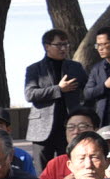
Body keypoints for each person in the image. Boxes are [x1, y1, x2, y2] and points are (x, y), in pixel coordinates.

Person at [24, 28, 86, 157]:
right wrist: (58, 89)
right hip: (42, 128)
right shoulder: (34, 69)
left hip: (69, 127)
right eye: (59, 45)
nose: (63, 48)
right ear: (47, 46)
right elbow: (30, 94)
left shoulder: (76, 67)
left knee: (69, 166)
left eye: (66, 44)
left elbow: (88, 91)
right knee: (42, 171)